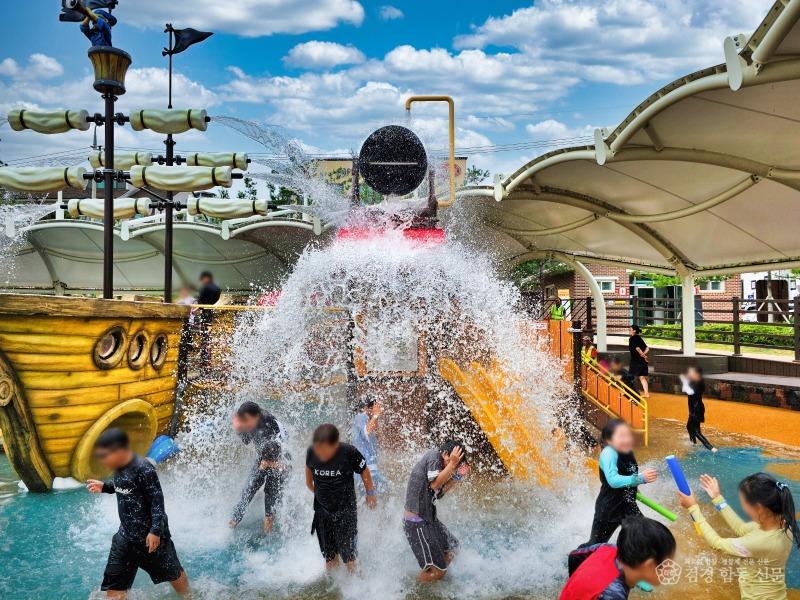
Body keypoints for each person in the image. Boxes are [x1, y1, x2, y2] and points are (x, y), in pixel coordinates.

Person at [85, 428, 189, 598]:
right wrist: (106, 487)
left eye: (105, 456)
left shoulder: (144, 468)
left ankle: (189, 596)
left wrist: (155, 531)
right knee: (114, 589)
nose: (102, 460)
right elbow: (126, 486)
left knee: (173, 573)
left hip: (150, 538)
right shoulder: (118, 466)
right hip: (125, 537)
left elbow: (157, 502)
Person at [679, 472, 800, 600]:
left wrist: (693, 508)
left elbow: (716, 543)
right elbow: (740, 528)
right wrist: (717, 498)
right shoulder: (783, 524)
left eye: (743, 503)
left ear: (758, 508)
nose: (743, 507)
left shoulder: (757, 542)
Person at [305, 424, 376, 572]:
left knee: (350, 557)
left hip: (345, 511)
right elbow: (309, 480)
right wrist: (321, 496)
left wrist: (370, 494)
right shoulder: (312, 452)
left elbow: (364, 471)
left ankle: (357, 582)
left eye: (324, 450)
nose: (320, 453)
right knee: (329, 558)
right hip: (323, 513)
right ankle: (333, 583)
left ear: (335, 445)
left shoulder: (349, 452)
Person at [561, 516, 676, 600]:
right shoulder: (614, 595)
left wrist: (576, 584)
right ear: (649, 565)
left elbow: (573, 556)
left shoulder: (606, 548)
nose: (670, 570)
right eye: (667, 564)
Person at [403, 440, 470, 583]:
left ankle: (434, 577)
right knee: (437, 570)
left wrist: (458, 476)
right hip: (417, 522)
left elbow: (439, 493)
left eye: (456, 464)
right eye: (452, 461)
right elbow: (434, 484)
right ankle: (414, 588)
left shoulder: (442, 466)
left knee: (453, 548)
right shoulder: (434, 456)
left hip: (430, 520)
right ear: (445, 454)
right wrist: (452, 465)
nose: (452, 467)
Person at [584, 419, 657, 546]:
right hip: (609, 508)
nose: (627, 439)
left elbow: (628, 474)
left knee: (645, 536)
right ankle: (576, 557)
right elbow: (613, 480)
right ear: (609, 440)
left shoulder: (627, 451)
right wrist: (640, 479)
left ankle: (630, 555)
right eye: (621, 436)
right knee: (595, 545)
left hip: (627, 504)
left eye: (628, 435)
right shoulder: (608, 453)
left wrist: (634, 488)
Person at [229, 401, 289, 534]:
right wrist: (238, 429)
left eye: (246, 421)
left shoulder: (268, 425)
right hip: (263, 459)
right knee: (247, 491)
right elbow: (246, 440)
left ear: (257, 416)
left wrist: (269, 464)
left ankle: (269, 536)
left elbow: (286, 465)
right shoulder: (250, 422)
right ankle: (230, 526)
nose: (244, 424)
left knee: (270, 504)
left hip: (279, 462)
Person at [352, 397, 388, 494]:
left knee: (382, 493)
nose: (378, 409)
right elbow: (367, 431)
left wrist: (375, 418)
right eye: (375, 407)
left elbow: (379, 438)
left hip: (369, 467)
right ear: (367, 408)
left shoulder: (368, 419)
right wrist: (375, 415)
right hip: (365, 468)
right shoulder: (360, 417)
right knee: (373, 496)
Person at [681, 366, 717, 452]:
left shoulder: (697, 384)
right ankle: (693, 443)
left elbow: (687, 390)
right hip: (695, 409)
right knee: (689, 426)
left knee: (696, 431)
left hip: (696, 410)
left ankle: (712, 448)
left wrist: (684, 380)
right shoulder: (695, 382)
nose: (689, 374)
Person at [196, 271, 221, 368]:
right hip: (209, 312)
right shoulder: (216, 288)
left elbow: (200, 299)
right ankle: (206, 360)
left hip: (205, 313)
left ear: (206, 278)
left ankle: (205, 361)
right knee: (207, 337)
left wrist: (201, 306)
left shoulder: (206, 287)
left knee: (205, 337)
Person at [628, 325, 650, 398]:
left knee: (630, 376)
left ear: (634, 331)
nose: (629, 331)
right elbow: (647, 348)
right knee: (642, 377)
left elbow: (637, 348)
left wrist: (643, 355)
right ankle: (646, 393)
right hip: (642, 361)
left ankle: (628, 392)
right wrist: (644, 355)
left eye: (630, 330)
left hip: (636, 361)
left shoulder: (632, 338)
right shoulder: (639, 338)